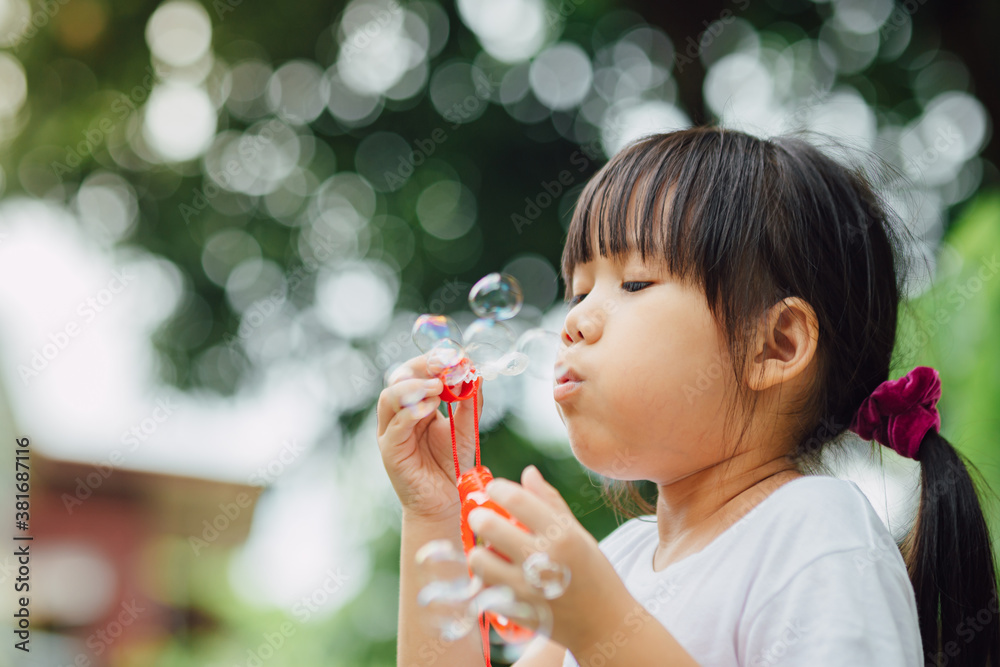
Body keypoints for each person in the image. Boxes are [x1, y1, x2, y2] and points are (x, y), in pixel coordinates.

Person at [376, 126, 1000, 667]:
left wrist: (603, 630)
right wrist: (432, 515)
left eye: (635, 282)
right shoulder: (620, 559)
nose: (575, 321)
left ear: (775, 346)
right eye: (577, 292)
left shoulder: (817, 534)